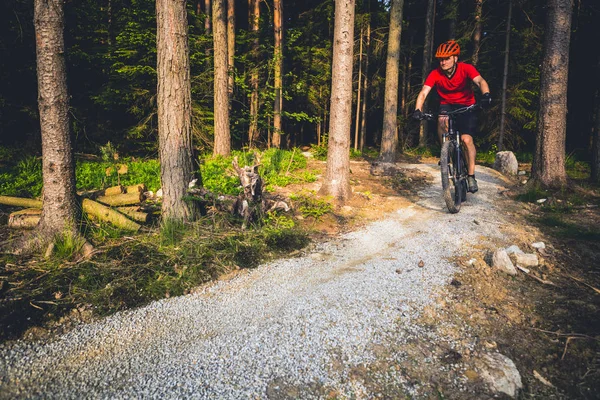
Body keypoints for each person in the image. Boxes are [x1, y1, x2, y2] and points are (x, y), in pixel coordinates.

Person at [412, 40, 491, 193]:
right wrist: (417, 109)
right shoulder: (435, 74)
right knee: (442, 119)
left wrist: (486, 95)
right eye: (441, 59)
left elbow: (480, 81)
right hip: (447, 105)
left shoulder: (466, 68)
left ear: (455, 58)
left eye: (447, 58)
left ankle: (471, 175)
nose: (443, 62)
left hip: (467, 105)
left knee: (466, 140)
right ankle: (446, 151)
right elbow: (423, 92)